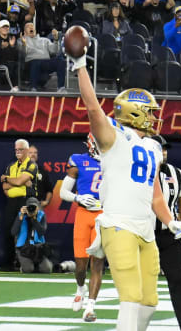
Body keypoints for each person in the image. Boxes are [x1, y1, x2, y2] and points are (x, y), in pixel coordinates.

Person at [70, 42, 181, 329]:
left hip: (146, 229)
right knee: (132, 298)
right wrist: (80, 64)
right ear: (134, 112)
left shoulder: (151, 146)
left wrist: (171, 222)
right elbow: (92, 107)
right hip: (118, 225)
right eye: (149, 111)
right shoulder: (113, 136)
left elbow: (155, 196)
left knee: (149, 302)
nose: (154, 117)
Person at [152, 135, 181, 331]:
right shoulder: (138, 172)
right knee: (140, 283)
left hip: (168, 235)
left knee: (179, 280)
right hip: (145, 234)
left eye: (165, 148)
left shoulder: (176, 173)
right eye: (159, 148)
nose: (163, 152)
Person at [59, 134, 104, 322]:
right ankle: (80, 288)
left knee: (98, 262)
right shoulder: (79, 160)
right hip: (84, 214)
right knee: (80, 264)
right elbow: (63, 192)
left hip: (103, 215)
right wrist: (78, 198)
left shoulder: (115, 162)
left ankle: (91, 307)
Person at [0, 139, 38, 272]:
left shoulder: (32, 165)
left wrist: (8, 179)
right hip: (11, 201)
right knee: (8, 230)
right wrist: (16, 182)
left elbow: (19, 180)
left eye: (20, 149)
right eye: (16, 150)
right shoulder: (11, 166)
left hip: (25, 200)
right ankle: (9, 263)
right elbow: (5, 186)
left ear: (27, 151)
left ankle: (26, 263)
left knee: (24, 232)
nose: (17, 152)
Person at [21, 22, 65, 92]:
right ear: (24, 32)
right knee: (36, 62)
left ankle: (61, 87)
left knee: (61, 61)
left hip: (45, 62)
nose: (31, 27)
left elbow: (54, 51)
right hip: (30, 64)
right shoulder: (22, 40)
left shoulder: (45, 40)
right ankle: (33, 88)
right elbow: (23, 53)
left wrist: (56, 40)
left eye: (32, 26)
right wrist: (24, 44)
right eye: (28, 26)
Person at [11, 197, 51, 273]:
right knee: (28, 269)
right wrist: (20, 218)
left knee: (46, 269)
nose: (31, 209)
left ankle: (37, 265)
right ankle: (25, 266)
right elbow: (13, 232)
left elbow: (42, 232)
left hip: (37, 247)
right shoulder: (21, 215)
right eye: (30, 207)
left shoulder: (41, 215)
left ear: (38, 208)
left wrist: (34, 219)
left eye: (34, 207)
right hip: (23, 248)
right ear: (26, 207)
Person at [0, 19, 20, 91]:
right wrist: (1, 47)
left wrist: (12, 46)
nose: (5, 29)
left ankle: (16, 86)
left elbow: (15, 55)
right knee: (11, 64)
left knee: (17, 63)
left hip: (11, 60)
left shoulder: (11, 38)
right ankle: (12, 86)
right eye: (3, 27)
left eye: (7, 27)